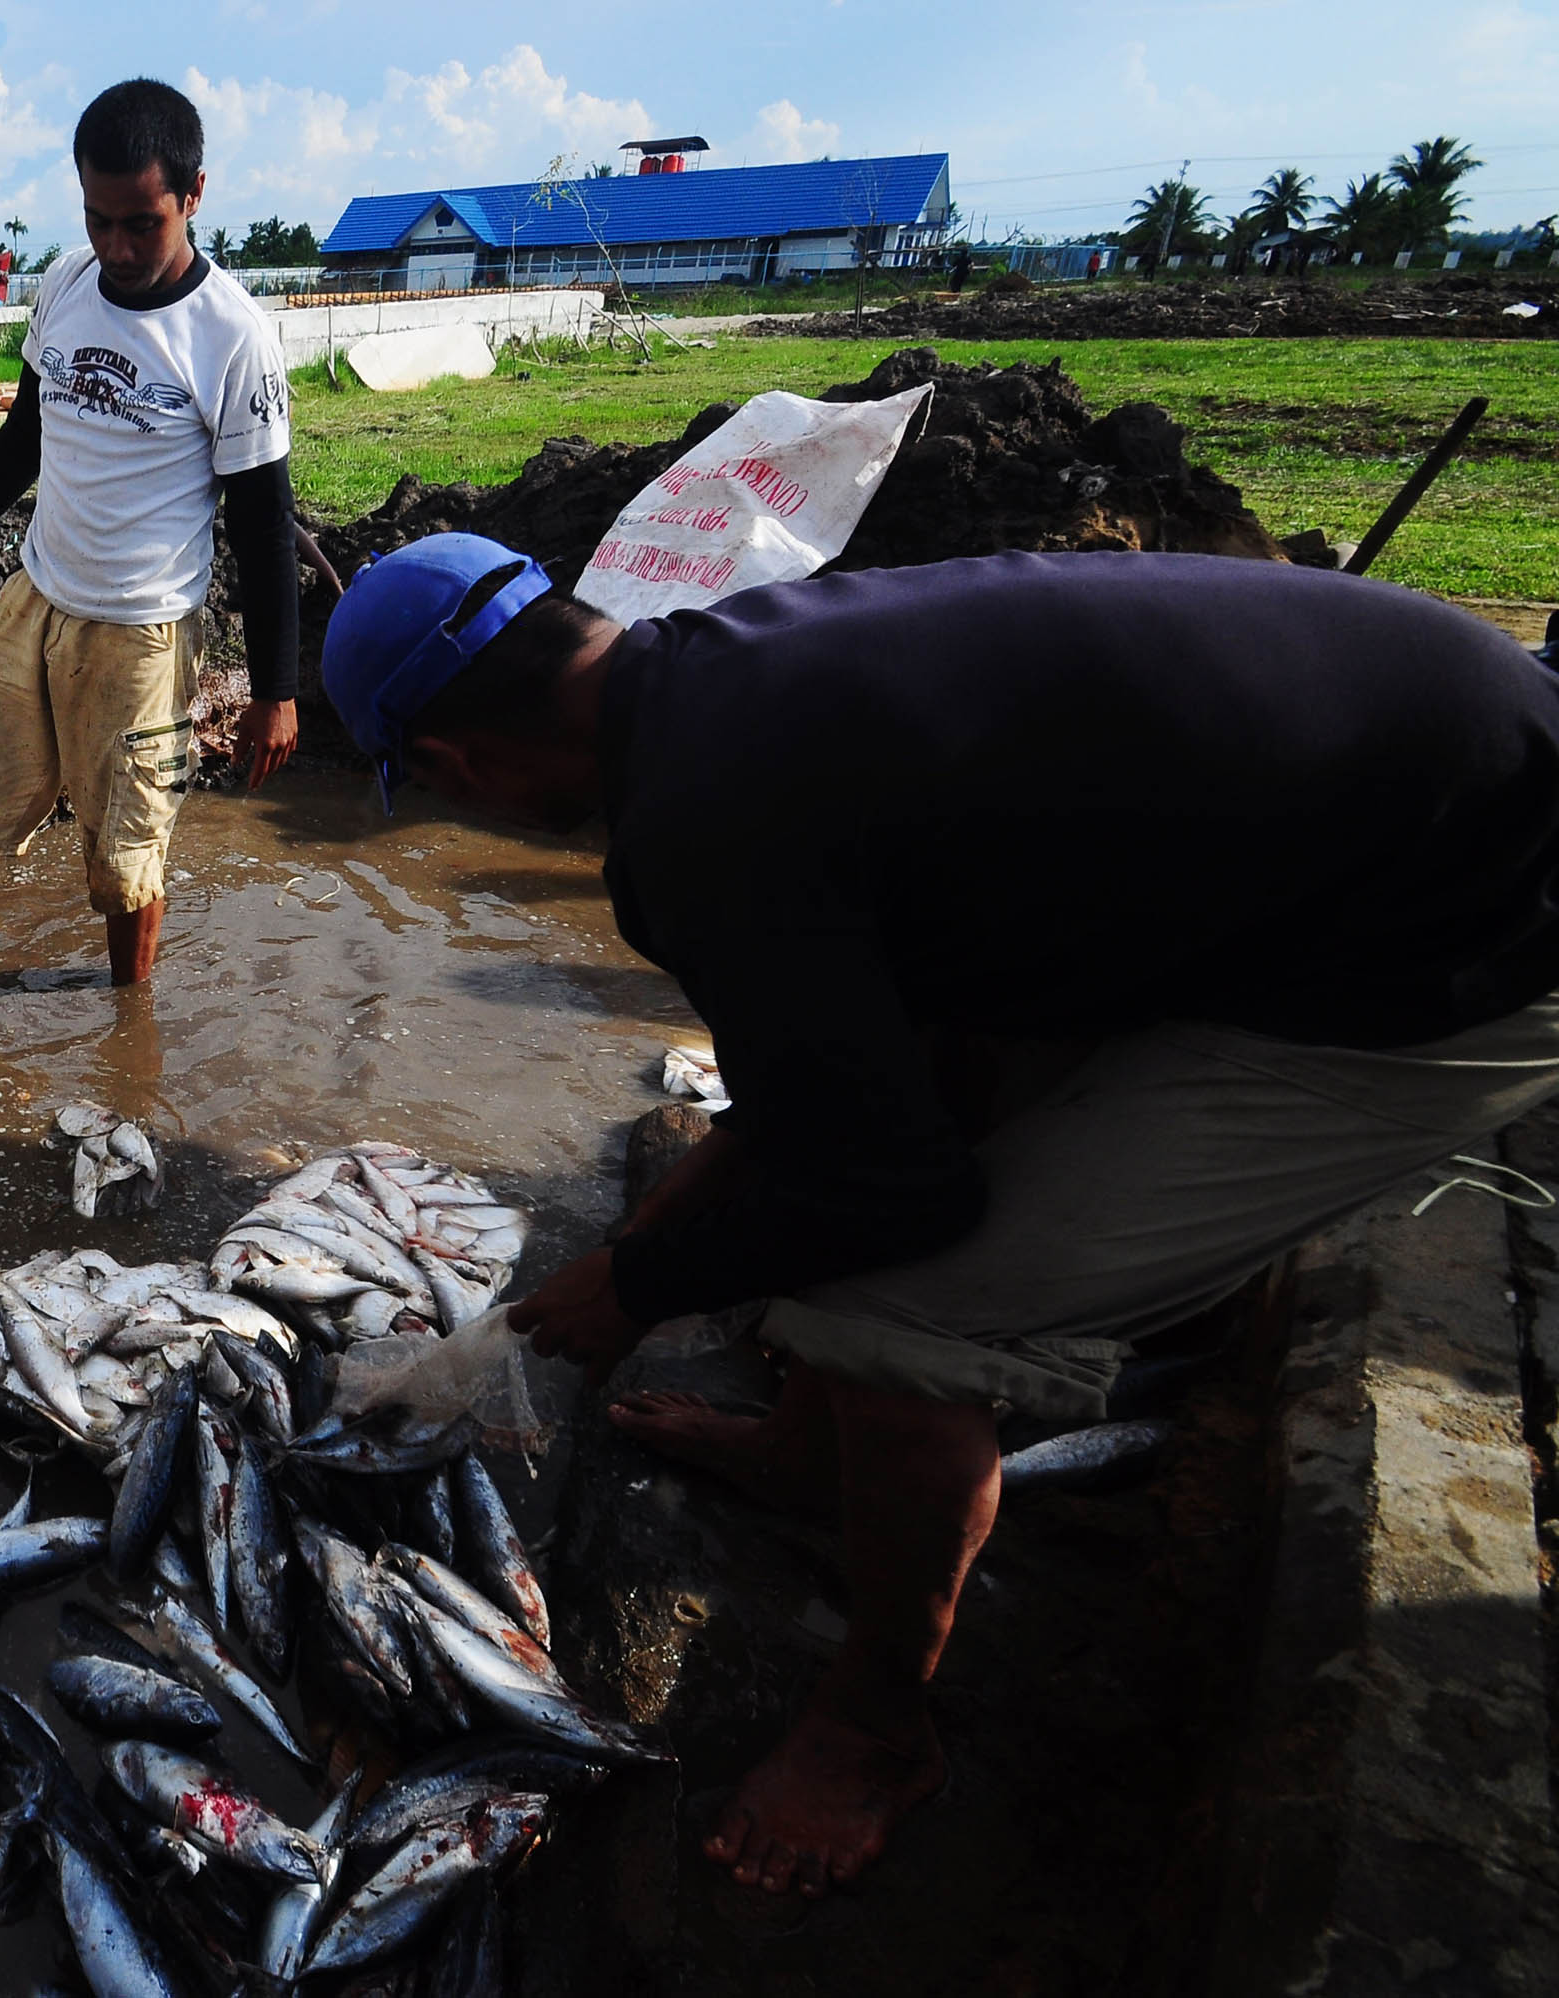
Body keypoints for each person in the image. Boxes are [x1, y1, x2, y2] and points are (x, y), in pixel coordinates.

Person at [317, 534, 1559, 1898]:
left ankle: (872, 1731)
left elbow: (896, 1183)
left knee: (900, 1308)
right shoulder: (730, 670)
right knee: (824, 1212)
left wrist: (642, 1283)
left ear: (456, 764)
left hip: (1468, 925)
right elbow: (861, 1061)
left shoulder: (698, 826)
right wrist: (658, 1236)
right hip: (1401, 794)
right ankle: (809, 1458)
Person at [0, 78, 300, 985]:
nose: (115, 247)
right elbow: (27, 430)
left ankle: (130, 1024)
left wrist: (278, 690)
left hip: (143, 630)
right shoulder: (66, 287)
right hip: (38, 593)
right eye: (96, 219)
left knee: (125, 851)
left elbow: (264, 526)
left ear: (193, 196)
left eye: (141, 223)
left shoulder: (233, 338)